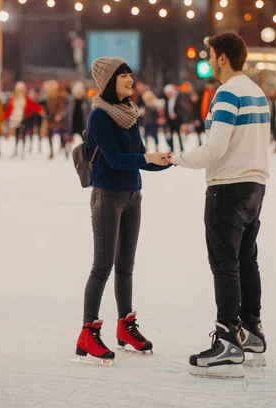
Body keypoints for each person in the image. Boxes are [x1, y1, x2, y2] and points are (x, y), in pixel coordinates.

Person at [169, 33, 270, 378]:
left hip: (228, 187)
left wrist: (176, 158)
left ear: (223, 58)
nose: (208, 60)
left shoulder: (227, 93)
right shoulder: (256, 91)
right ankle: (252, 333)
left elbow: (215, 149)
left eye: (210, 55)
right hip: (255, 186)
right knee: (246, 260)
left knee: (225, 263)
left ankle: (228, 338)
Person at [75, 57, 171, 364]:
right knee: (102, 267)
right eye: (122, 75)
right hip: (108, 196)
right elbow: (116, 159)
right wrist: (149, 158)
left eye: (130, 74)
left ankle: (125, 326)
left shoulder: (130, 112)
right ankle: (88, 332)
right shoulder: (100, 117)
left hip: (133, 195)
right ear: (108, 82)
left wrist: (168, 161)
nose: (130, 79)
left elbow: (139, 157)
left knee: (126, 267)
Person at [5, 82, 43, 158]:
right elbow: (9, 108)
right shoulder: (13, 98)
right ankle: (16, 150)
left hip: (24, 118)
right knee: (16, 134)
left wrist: (40, 110)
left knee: (24, 134)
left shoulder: (26, 98)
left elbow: (33, 105)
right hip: (15, 118)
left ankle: (22, 150)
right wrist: (6, 116)